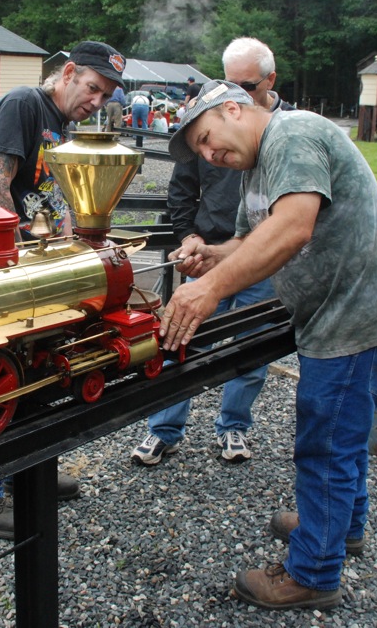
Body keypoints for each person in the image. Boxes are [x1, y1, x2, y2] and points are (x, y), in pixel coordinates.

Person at [160, 79, 377, 610]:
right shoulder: (256, 169)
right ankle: (342, 527)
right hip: (336, 313)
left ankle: (313, 573)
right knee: (344, 433)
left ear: (233, 109)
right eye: (200, 152)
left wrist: (210, 289)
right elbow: (249, 240)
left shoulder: (293, 134)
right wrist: (214, 257)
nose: (209, 155)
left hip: (356, 314)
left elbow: (293, 227)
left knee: (325, 443)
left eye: (207, 138)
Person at [0, 40, 127, 539]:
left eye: (106, 95)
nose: (97, 101)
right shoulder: (23, 105)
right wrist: (22, 262)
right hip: (5, 268)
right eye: (93, 88)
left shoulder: (61, 122)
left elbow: (52, 197)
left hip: (40, 266)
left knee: (39, 370)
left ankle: (27, 471)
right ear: (68, 72)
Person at [131, 37, 287, 468]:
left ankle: (234, 425)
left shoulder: (288, 129)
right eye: (227, 82)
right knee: (182, 340)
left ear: (270, 81)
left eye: (246, 85)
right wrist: (187, 236)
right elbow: (181, 188)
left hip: (265, 259)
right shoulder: (208, 120)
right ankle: (164, 428)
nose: (235, 92)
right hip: (211, 249)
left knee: (251, 349)